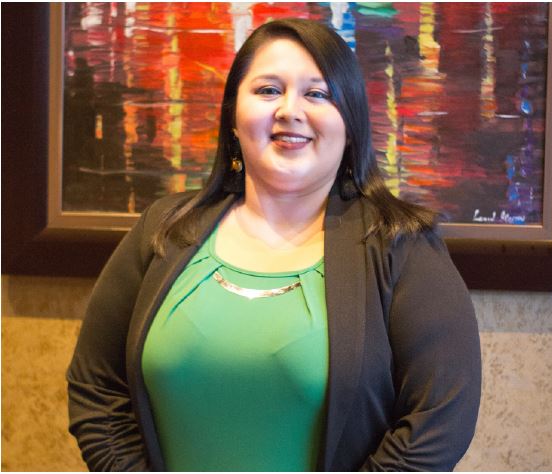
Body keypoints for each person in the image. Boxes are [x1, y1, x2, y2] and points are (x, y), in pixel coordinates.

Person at [67, 18, 481, 472]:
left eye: (317, 94)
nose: (289, 110)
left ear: (350, 122)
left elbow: (439, 423)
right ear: (233, 116)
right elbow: (95, 386)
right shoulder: (163, 229)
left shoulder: (403, 247)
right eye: (268, 90)